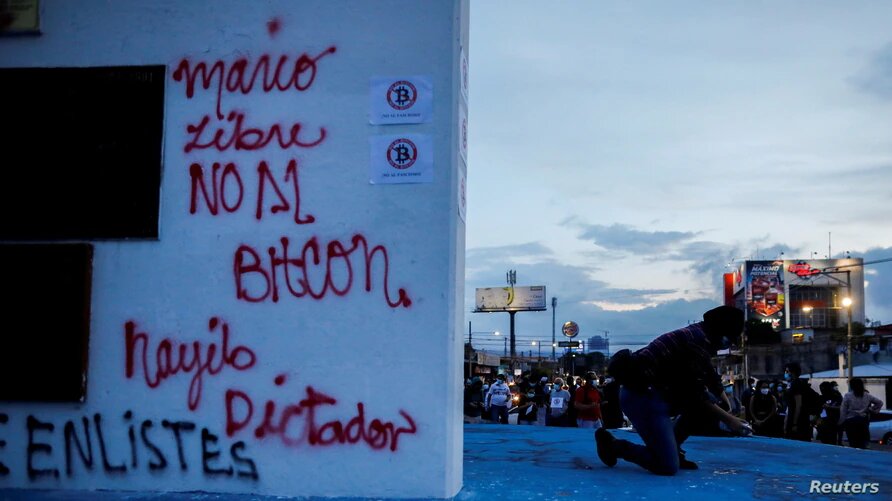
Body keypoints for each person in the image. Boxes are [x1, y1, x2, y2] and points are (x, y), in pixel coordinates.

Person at [594, 305, 752, 476]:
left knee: (709, 404)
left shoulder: (700, 336)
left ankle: (673, 448)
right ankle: (614, 446)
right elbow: (694, 394)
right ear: (720, 332)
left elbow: (709, 374)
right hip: (642, 398)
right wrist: (730, 420)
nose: (727, 345)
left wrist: (724, 401)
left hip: (656, 394)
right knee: (666, 465)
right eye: (728, 340)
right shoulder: (696, 342)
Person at [838, 377, 883, 449]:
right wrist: (871, 409)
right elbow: (880, 403)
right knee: (863, 444)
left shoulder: (848, 396)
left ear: (852, 386)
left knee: (853, 444)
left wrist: (841, 422)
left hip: (850, 422)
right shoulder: (867, 395)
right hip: (863, 421)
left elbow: (843, 410)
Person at [782, 362, 819, 441]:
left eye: (787, 371)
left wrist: (794, 423)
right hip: (798, 418)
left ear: (793, 373)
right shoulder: (796, 383)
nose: (785, 373)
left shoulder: (796, 384)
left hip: (798, 420)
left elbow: (798, 404)